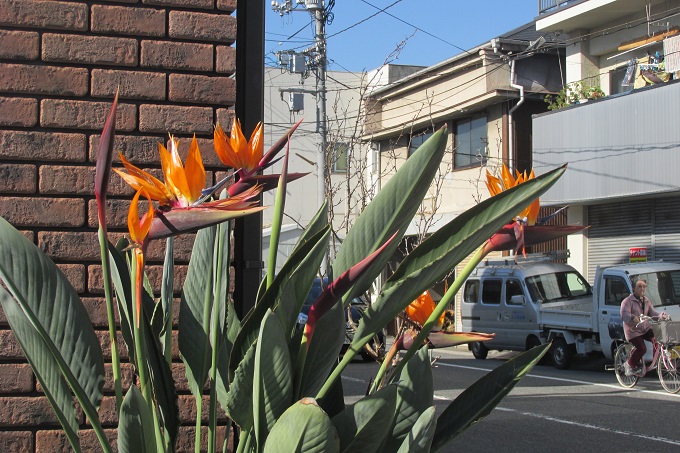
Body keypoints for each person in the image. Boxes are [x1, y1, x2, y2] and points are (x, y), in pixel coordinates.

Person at [620, 278, 668, 375]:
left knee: (657, 338)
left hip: (645, 328)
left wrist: (661, 316)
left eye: (644, 286)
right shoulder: (627, 301)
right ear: (633, 288)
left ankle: (656, 361)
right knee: (642, 348)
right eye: (639, 286)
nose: (642, 289)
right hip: (633, 331)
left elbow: (652, 313)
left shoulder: (646, 300)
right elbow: (624, 314)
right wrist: (633, 318)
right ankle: (629, 365)